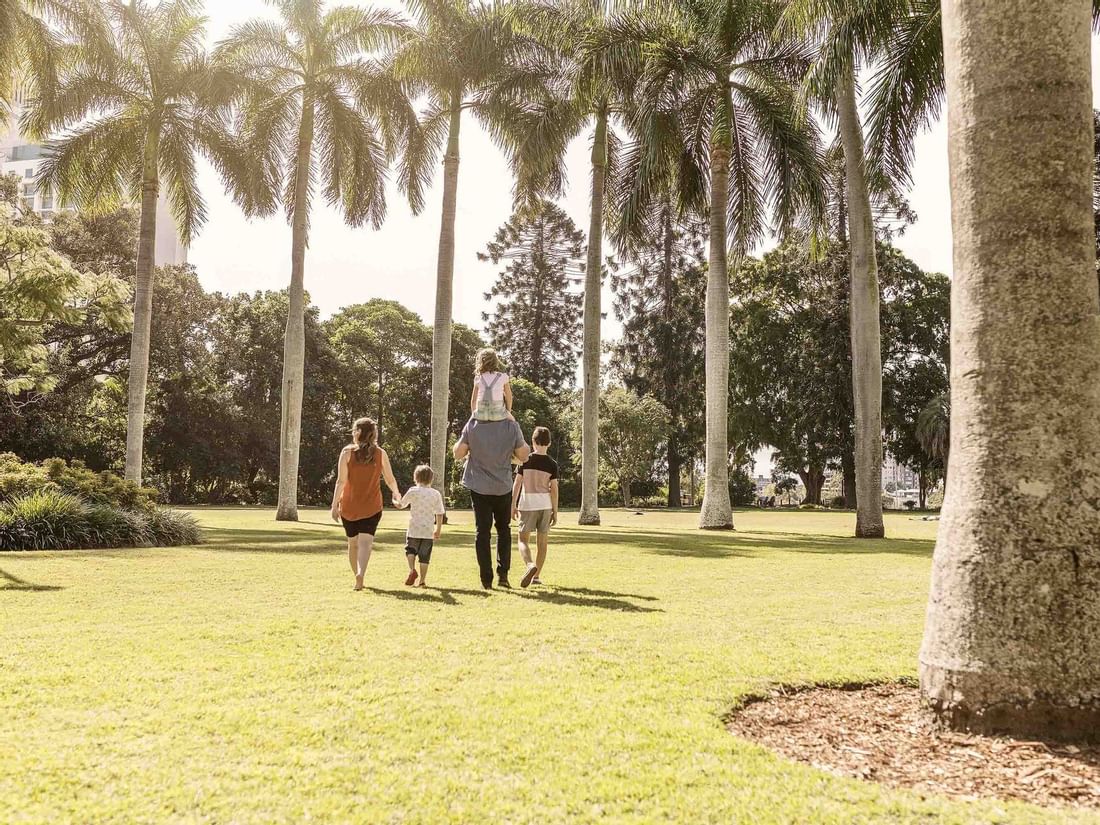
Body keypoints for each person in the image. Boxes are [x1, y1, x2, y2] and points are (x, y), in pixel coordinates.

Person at [453, 416, 530, 589]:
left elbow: (458, 453)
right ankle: (503, 576)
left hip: (479, 486)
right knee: (504, 530)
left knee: (482, 532)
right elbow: (524, 455)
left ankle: (486, 580)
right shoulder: (511, 426)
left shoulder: (473, 424)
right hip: (502, 486)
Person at [330, 417, 401, 591]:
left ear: (358, 432)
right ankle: (361, 573)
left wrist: (334, 505)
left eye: (354, 430)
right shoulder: (380, 453)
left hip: (349, 506)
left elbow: (340, 481)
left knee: (352, 543)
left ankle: (358, 577)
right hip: (372, 507)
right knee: (366, 544)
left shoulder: (346, 453)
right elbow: (390, 479)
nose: (353, 433)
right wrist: (396, 493)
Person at [512, 426, 559, 588]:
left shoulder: (525, 460)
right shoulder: (552, 464)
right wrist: (555, 511)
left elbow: (517, 484)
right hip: (545, 505)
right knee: (542, 543)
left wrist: (513, 504)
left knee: (522, 540)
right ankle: (537, 576)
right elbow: (554, 490)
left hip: (527, 504)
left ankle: (529, 564)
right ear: (549, 443)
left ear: (533, 442)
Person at [396, 464, 445, 588]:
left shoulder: (413, 491)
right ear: (431, 478)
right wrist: (438, 529)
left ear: (416, 477)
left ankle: (412, 570)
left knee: (410, 550)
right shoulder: (435, 494)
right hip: (428, 530)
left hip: (414, 528)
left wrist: (395, 500)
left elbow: (401, 505)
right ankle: (422, 581)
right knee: (425, 557)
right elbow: (439, 513)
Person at [470, 347, 514, 421]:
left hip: (481, 415)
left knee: (466, 429)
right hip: (498, 414)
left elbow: (473, 401)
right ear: (496, 361)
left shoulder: (478, 378)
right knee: (515, 426)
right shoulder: (503, 377)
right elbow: (509, 397)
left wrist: (474, 414)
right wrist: (508, 411)